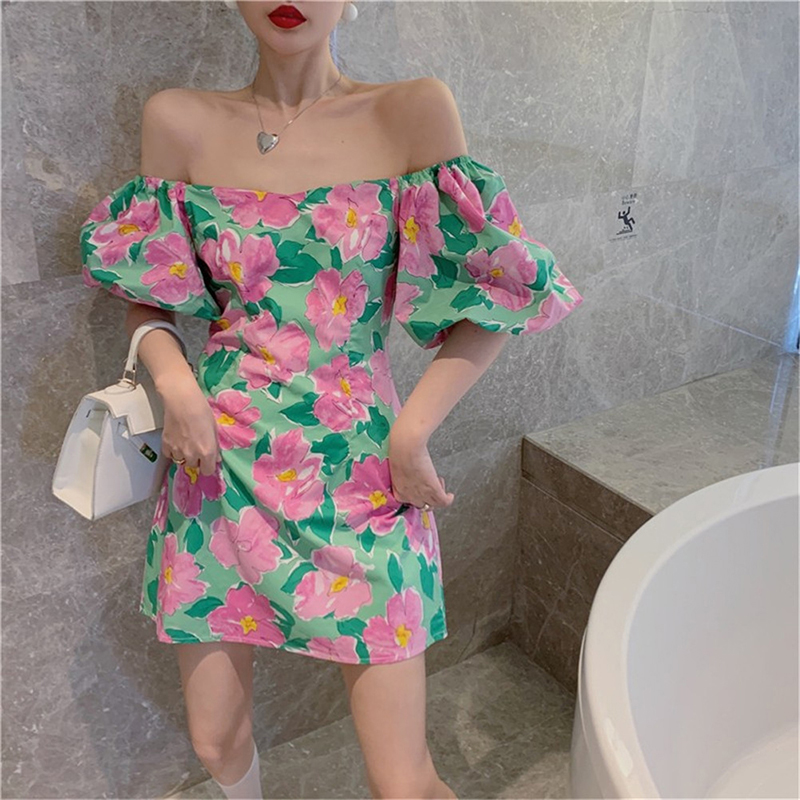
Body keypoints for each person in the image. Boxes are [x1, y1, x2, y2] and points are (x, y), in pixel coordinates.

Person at [79, 2, 584, 797]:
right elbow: (148, 289)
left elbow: (501, 291)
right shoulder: (178, 122)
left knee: (403, 777)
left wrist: (412, 432)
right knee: (215, 739)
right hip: (218, 470)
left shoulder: (410, 113)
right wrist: (175, 385)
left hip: (364, 478)